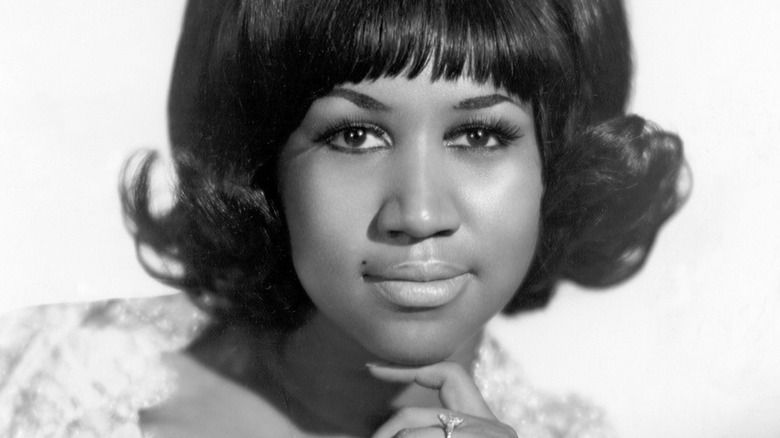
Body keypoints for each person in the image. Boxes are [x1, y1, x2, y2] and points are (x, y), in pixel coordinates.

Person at [0, 0, 687, 436]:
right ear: (260, 156)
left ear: (558, 167)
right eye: (354, 136)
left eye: (480, 137)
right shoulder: (33, 365)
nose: (418, 214)